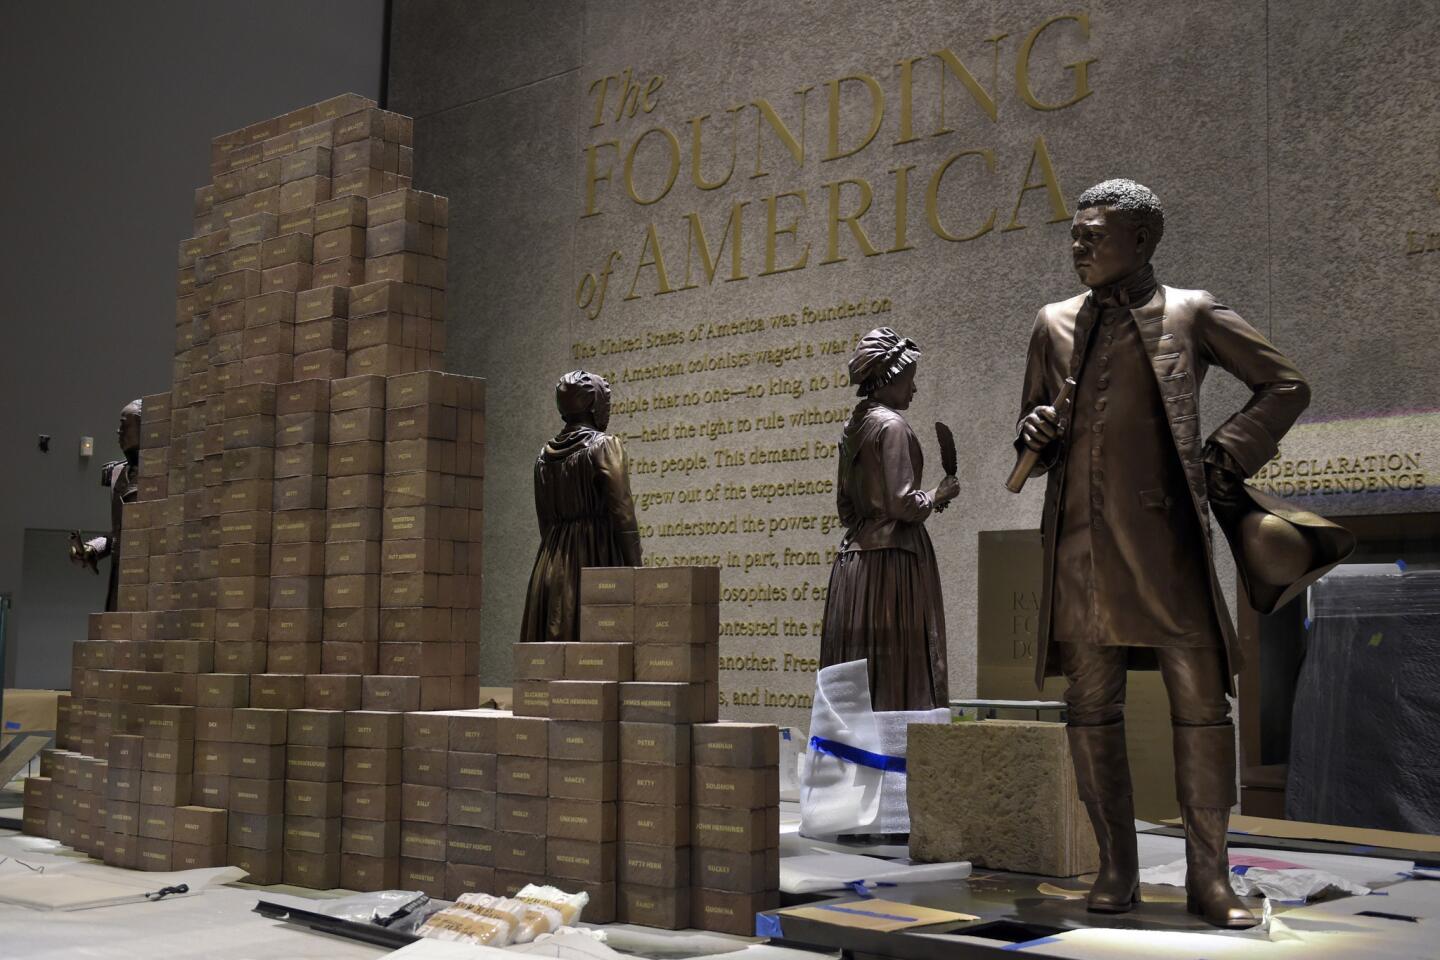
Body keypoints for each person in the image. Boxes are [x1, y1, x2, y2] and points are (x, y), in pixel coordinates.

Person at [1015, 179, 1310, 927]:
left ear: (1141, 241)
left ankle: (1209, 878)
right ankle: (1116, 868)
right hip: (1081, 547)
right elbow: (1033, 436)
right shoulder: (1053, 323)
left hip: (1168, 542)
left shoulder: (1192, 311)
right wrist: (1034, 437)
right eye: (1075, 232)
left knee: (1201, 709)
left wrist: (1225, 456)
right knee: (1089, 707)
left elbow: (1285, 384)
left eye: (1096, 233)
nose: (1078, 243)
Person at [819, 328, 959, 711]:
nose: (913, 390)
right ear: (890, 378)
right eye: (909, 380)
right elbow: (902, 505)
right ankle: (898, 761)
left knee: (857, 677)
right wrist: (937, 494)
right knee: (896, 672)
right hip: (891, 569)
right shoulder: (892, 426)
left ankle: (852, 759)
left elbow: (845, 509)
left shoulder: (853, 428)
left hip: (854, 568)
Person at [520, 371, 642, 643]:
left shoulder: (544, 456)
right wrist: (637, 570)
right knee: (594, 654)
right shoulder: (604, 446)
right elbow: (622, 512)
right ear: (591, 403)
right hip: (593, 555)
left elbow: (545, 523)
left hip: (550, 564)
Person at [69, 398, 142, 611]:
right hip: (119, 577)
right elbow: (118, 534)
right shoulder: (116, 474)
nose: (118, 432)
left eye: (124, 426)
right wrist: (92, 549)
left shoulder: (163, 473)